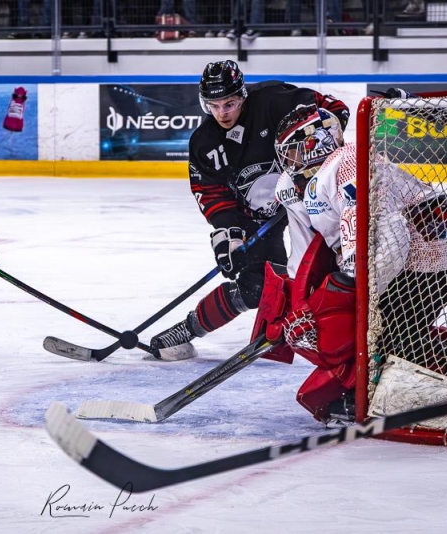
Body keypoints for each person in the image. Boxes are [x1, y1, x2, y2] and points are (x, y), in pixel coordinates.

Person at [261, 102, 447, 424]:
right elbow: (305, 248)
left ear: (317, 143)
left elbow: (390, 239)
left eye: (293, 151)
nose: (288, 162)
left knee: (387, 335)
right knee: (388, 331)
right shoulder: (295, 185)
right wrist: (296, 301)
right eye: (285, 154)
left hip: (434, 260)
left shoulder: (347, 164)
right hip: (401, 263)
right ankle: (445, 371)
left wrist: (354, 289)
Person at [148, 59, 349, 361]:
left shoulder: (273, 101)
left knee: (328, 273)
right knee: (256, 285)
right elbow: (211, 191)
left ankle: (340, 341)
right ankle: (186, 330)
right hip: (256, 217)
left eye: (229, 103)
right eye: (214, 106)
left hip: (310, 200)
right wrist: (229, 231)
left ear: (242, 95)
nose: (222, 113)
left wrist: (314, 154)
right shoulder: (204, 142)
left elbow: (335, 111)